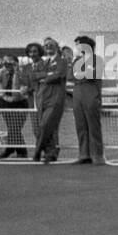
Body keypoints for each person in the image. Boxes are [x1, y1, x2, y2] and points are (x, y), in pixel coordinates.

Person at [32, 37, 68, 163]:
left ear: (56, 46)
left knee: (45, 124)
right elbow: (35, 76)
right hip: (43, 98)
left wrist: (45, 77)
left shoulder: (62, 61)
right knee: (49, 127)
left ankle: (38, 150)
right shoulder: (43, 63)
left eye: (51, 45)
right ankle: (50, 152)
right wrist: (47, 75)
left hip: (55, 97)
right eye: (46, 45)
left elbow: (59, 75)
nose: (48, 47)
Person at [72, 35, 105, 164]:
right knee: (80, 125)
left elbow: (92, 76)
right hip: (78, 93)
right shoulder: (76, 61)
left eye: (79, 44)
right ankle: (83, 154)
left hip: (91, 92)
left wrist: (84, 73)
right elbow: (73, 76)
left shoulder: (98, 60)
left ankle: (97, 154)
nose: (77, 47)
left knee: (93, 125)